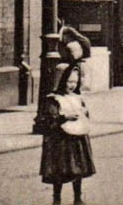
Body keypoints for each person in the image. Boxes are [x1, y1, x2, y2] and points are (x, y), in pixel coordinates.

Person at [40, 64, 95, 205]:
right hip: (61, 139)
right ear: (61, 80)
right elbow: (50, 117)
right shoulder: (54, 99)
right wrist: (64, 117)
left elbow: (85, 114)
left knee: (78, 169)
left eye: (74, 82)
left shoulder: (77, 97)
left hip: (77, 136)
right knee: (60, 170)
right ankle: (56, 198)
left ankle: (78, 197)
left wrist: (84, 112)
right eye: (69, 81)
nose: (71, 85)